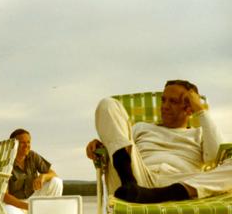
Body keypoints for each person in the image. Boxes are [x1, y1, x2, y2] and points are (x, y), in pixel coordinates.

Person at [86, 79, 232, 203]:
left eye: (173, 101)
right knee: (107, 103)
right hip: (136, 179)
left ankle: (161, 194)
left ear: (189, 109)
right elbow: (121, 143)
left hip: (181, 184)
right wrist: (102, 144)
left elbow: (215, 156)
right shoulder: (141, 128)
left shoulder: (199, 134)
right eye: (163, 100)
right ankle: (130, 184)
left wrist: (200, 110)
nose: (165, 106)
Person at [3, 128, 63, 214]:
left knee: (56, 182)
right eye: (22, 143)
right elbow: (4, 196)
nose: (26, 146)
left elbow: (53, 174)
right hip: (15, 204)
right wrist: (28, 207)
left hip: (33, 198)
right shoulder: (4, 162)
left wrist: (42, 177)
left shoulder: (32, 155)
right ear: (13, 144)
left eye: (28, 142)